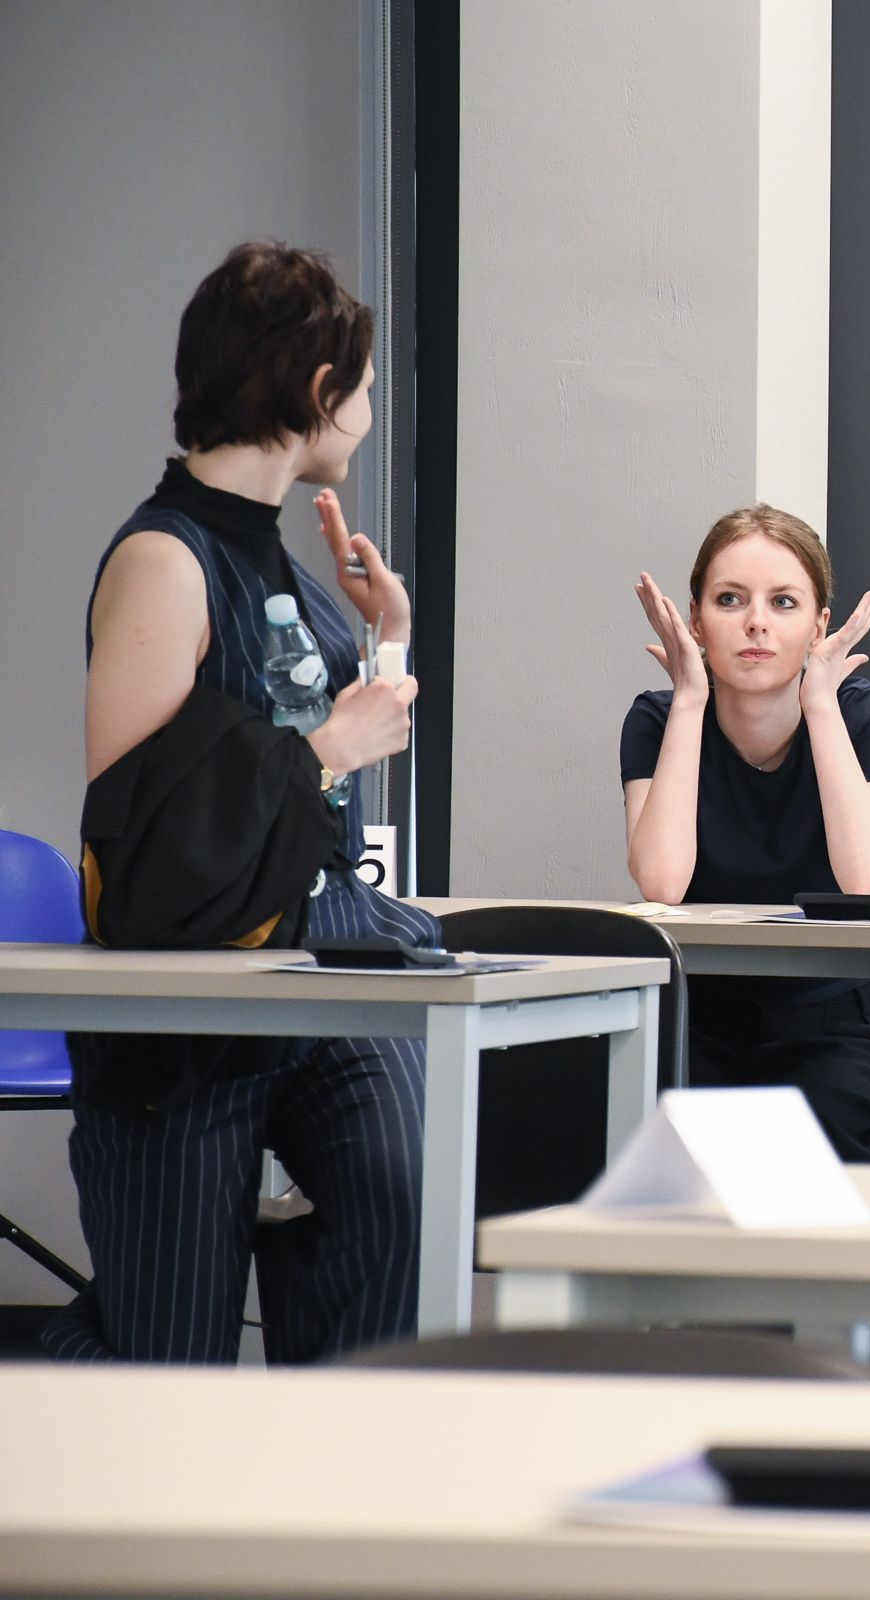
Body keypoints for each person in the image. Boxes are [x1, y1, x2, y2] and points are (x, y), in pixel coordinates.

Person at [49, 241, 434, 1363]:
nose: (367, 414)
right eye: (361, 388)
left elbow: (322, 754)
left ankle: (327, 1465)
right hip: (196, 1007)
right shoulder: (164, 562)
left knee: (404, 1196)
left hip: (326, 961)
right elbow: (146, 836)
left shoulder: (279, 562)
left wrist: (388, 635)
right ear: (318, 390)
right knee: (166, 1354)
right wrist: (326, 749)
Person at [620, 505, 870, 1162]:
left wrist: (820, 702)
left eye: (783, 602)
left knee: (801, 1142)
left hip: (843, 1024)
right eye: (730, 600)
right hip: (698, 1019)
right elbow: (662, 883)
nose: (756, 622)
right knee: (653, 1140)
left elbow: (869, 883)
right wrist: (689, 699)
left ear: (820, 624)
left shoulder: (864, 715)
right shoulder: (658, 719)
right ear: (695, 619)